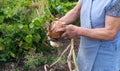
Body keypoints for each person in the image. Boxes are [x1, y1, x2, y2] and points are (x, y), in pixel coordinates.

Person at [54, 0, 120, 71]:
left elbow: (110, 33)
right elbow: (76, 11)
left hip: (104, 56)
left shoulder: (115, 2)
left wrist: (77, 31)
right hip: (85, 52)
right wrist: (57, 25)